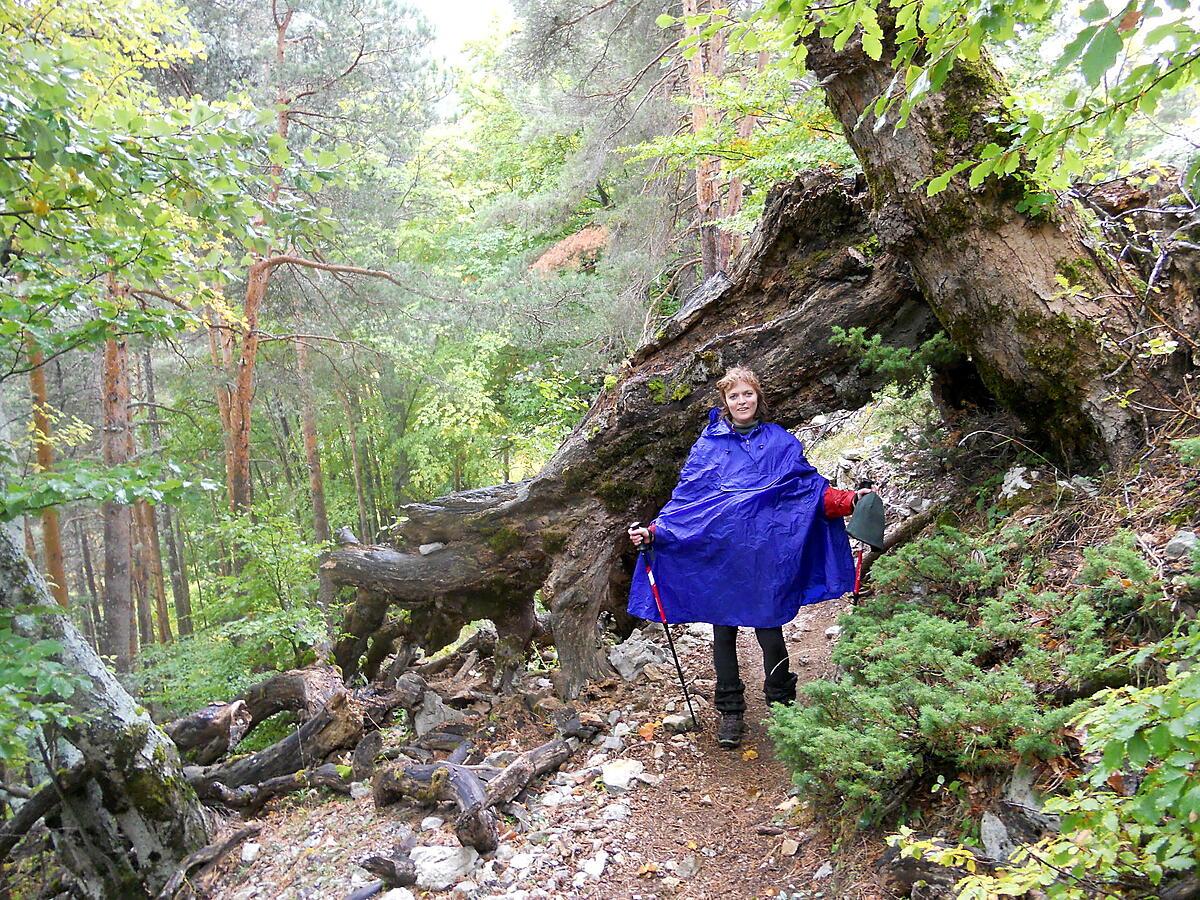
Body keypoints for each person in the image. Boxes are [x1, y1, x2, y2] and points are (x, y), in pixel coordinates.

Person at [626, 366, 867, 749]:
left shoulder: (780, 442)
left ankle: (783, 708)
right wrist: (654, 532)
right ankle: (731, 713)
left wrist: (848, 500)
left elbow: (805, 491)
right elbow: (687, 505)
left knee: (770, 631)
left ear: (758, 397)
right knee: (724, 633)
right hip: (722, 560)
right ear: (725, 402)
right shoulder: (709, 446)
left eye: (748, 394)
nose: (742, 401)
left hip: (767, 560)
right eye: (734, 396)